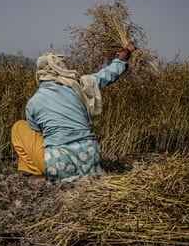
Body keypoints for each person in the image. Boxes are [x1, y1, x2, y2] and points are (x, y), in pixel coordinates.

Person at [11, 42, 136, 183]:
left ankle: (40, 172)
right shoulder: (80, 86)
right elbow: (107, 74)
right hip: (91, 160)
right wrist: (125, 52)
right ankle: (79, 170)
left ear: (41, 73)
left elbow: (37, 133)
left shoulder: (33, 102)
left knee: (20, 127)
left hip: (58, 164)